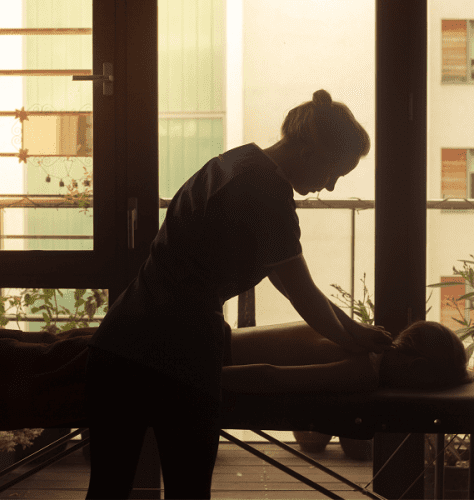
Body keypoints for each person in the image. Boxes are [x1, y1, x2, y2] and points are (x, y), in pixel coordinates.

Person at [84, 89, 394, 499]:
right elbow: (301, 293)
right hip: (181, 355)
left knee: (107, 489)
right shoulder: (268, 195)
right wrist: (355, 343)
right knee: (189, 492)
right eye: (334, 172)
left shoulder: (237, 163)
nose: (331, 187)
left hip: (121, 342)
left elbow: (286, 282)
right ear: (309, 153)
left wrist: (355, 330)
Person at [221, 319, 474, 393]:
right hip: (210, 356)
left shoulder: (359, 333)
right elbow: (270, 377)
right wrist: (200, 379)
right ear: (418, 368)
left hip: (215, 336)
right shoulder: (363, 370)